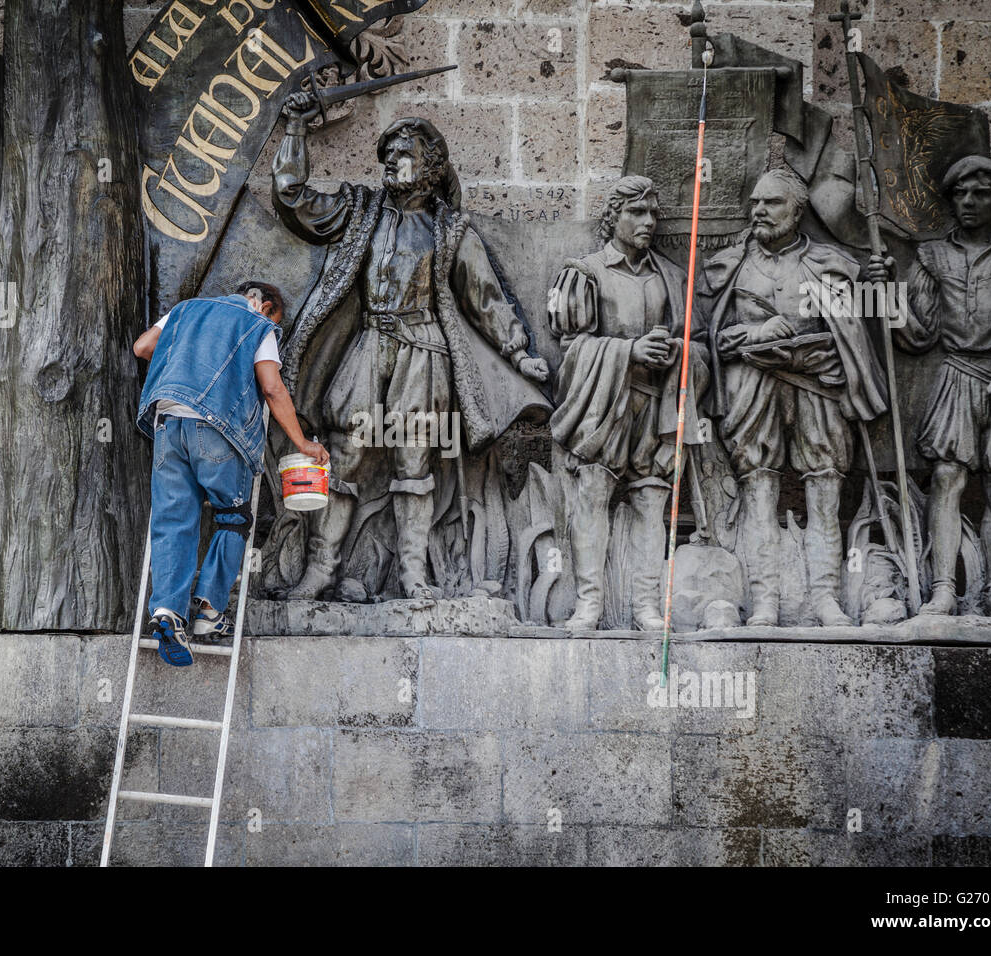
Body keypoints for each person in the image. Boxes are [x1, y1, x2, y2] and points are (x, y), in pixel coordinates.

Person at [273, 94, 550, 601]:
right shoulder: (359, 210)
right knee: (345, 453)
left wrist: (517, 351)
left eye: (401, 154)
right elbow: (293, 199)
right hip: (367, 346)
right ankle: (321, 570)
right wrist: (295, 127)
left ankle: (412, 576)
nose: (390, 162)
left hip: (423, 352)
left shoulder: (450, 230)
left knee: (413, 461)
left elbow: (485, 297)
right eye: (387, 154)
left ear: (429, 166)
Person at [698, 168, 888, 627]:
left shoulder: (832, 263)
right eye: (755, 203)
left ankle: (826, 599)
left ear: (797, 210)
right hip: (753, 388)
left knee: (825, 488)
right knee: (759, 488)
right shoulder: (730, 265)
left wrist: (881, 286)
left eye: (771, 203)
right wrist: (753, 332)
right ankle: (764, 600)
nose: (758, 211)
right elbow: (705, 337)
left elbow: (867, 333)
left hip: (817, 384)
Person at [871, 155, 991, 616]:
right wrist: (887, 291)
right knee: (946, 477)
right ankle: (942, 588)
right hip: (954, 377)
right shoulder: (933, 257)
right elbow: (918, 337)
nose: (968, 202)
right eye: (960, 193)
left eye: (980, 193)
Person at [134, 282, 328, 666]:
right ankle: (207, 611)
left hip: (167, 423)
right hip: (216, 428)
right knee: (233, 517)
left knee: (173, 519)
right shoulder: (257, 323)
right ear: (264, 305)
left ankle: (167, 613)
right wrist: (303, 443)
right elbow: (272, 388)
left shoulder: (185, 309)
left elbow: (143, 348)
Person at [548, 175, 708, 632]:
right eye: (637, 212)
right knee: (593, 495)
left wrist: (679, 353)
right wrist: (628, 351)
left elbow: (700, 349)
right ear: (613, 217)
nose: (649, 221)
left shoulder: (673, 279)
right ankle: (589, 605)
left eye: (654, 212)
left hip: (655, 405)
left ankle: (645, 607)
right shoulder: (584, 273)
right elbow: (571, 346)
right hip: (604, 403)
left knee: (652, 502)